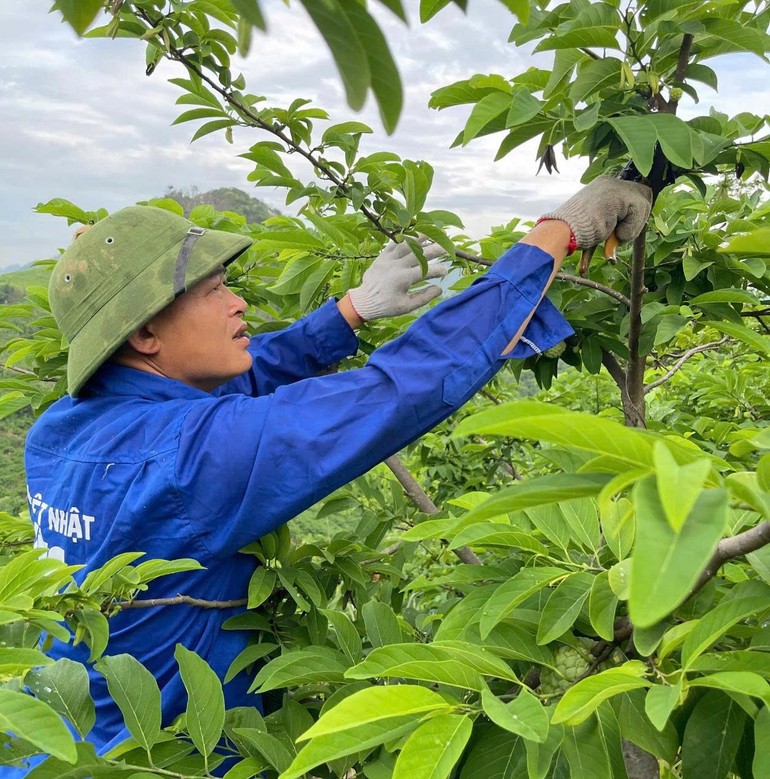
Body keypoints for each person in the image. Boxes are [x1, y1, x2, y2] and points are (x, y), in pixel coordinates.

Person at [18, 177, 651, 773]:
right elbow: (400, 388)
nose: (238, 302)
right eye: (214, 291)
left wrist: (349, 312)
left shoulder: (59, 430)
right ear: (146, 332)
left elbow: (219, 390)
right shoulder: (190, 460)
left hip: (53, 739)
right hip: (167, 761)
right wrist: (555, 235)